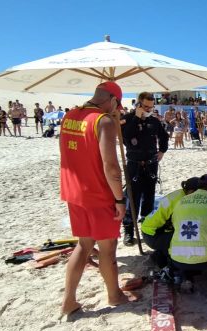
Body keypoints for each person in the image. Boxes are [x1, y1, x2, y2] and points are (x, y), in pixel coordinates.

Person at [60, 81, 134, 315]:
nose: (117, 111)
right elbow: (111, 167)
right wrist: (120, 200)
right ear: (112, 100)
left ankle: (69, 300)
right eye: (117, 106)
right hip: (99, 195)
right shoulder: (103, 121)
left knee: (83, 245)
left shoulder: (69, 116)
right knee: (107, 248)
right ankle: (115, 295)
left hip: (74, 192)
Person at [121, 92, 169, 246]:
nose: (148, 109)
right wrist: (136, 118)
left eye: (151, 106)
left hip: (151, 163)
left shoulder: (154, 121)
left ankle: (146, 229)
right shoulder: (128, 119)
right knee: (131, 198)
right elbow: (126, 136)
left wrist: (162, 150)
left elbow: (164, 136)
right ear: (139, 104)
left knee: (149, 197)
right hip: (134, 164)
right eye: (145, 106)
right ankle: (129, 231)